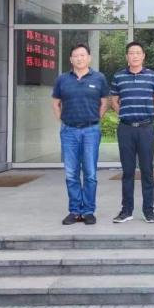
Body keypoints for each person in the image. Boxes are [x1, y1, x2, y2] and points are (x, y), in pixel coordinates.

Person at [51, 43, 109, 226]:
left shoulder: (99, 78)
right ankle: (75, 210)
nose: (79, 58)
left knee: (90, 173)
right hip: (69, 131)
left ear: (89, 58)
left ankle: (89, 211)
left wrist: (95, 120)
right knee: (71, 173)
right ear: (71, 59)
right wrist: (63, 120)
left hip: (91, 131)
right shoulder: (62, 79)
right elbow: (55, 103)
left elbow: (104, 103)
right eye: (76, 55)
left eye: (82, 55)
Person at [109, 41, 154, 223]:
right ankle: (126, 210)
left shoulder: (153, 76)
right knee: (128, 171)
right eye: (131, 53)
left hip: (146, 128)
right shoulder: (119, 76)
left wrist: (148, 113)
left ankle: (149, 210)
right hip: (126, 128)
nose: (135, 56)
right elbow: (114, 101)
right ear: (127, 56)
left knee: (147, 171)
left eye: (138, 52)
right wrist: (124, 113)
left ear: (143, 55)